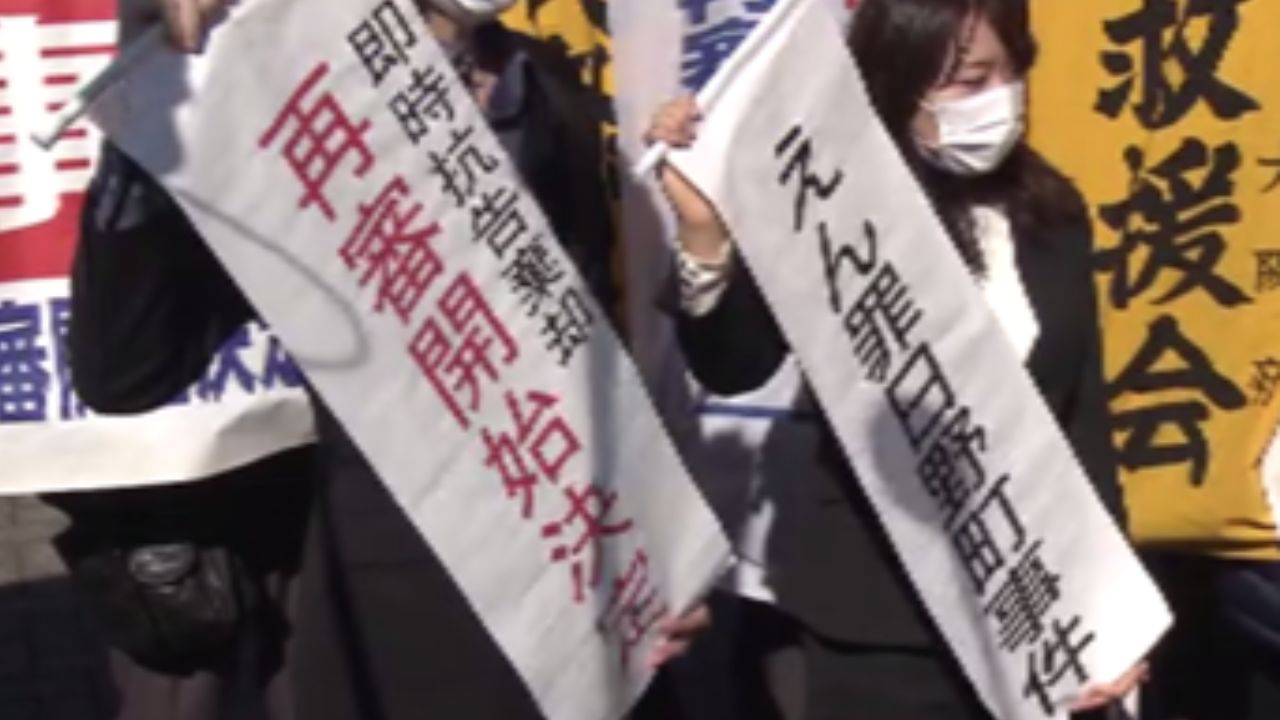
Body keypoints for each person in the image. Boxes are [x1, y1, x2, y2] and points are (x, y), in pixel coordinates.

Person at [72, 1, 706, 719]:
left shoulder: (549, 86)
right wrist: (155, 117)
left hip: (593, 596)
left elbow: (589, 361)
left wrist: (659, 548)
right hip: (405, 615)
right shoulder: (293, 110)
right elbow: (125, 369)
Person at [646, 0, 1144, 718]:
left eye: (1009, 74)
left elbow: (1081, 417)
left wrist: (1115, 611)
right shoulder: (832, 204)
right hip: (879, 619)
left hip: (1033, 618)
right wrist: (704, 231)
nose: (997, 99)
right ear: (896, 82)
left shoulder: (1053, 211)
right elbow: (734, 364)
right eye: (967, 81)